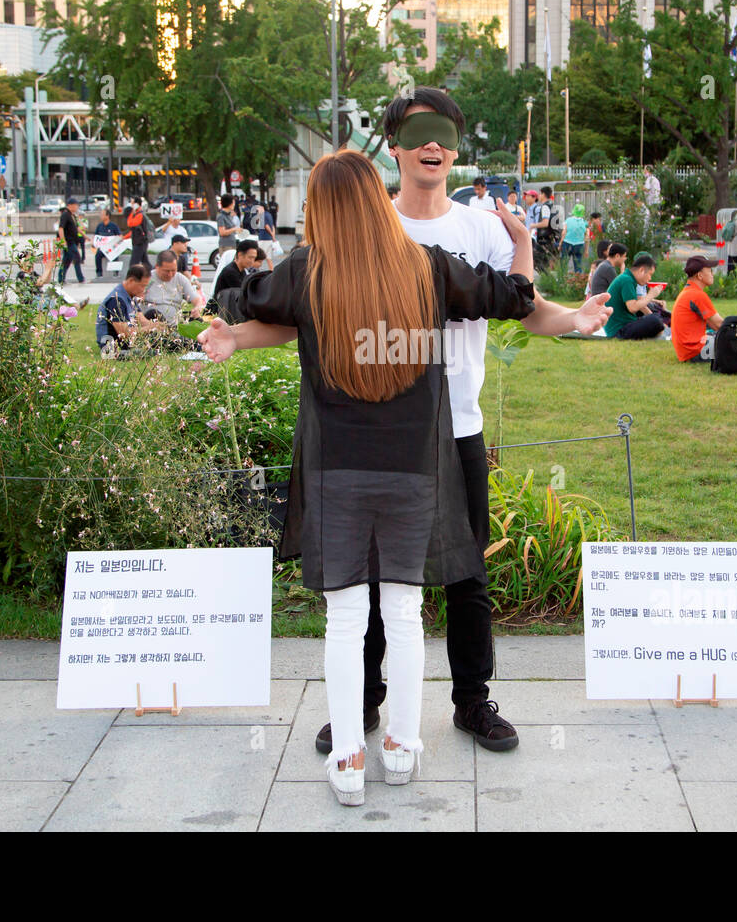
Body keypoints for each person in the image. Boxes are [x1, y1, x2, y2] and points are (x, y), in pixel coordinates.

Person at [212, 87, 610, 757]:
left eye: (446, 133)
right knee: (368, 576)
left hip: (455, 426)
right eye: (419, 133)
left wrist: (572, 319)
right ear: (393, 147)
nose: (433, 144)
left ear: (454, 147)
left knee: (465, 573)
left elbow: (518, 304)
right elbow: (301, 316)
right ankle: (361, 705)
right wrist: (238, 335)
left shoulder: (479, 230)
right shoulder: (365, 226)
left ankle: (471, 701)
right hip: (378, 429)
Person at [198, 149, 541, 806]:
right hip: (415, 468)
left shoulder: (305, 272)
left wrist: (236, 288)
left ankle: (350, 758)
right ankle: (403, 750)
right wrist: (520, 244)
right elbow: (514, 297)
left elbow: (236, 298)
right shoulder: (430, 266)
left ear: (320, 210)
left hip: (337, 472)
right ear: (377, 199)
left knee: (346, 617)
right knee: (406, 611)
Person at [95, 263, 164, 357]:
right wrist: (150, 328)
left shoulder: (130, 295)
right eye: (142, 286)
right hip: (114, 346)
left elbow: (141, 319)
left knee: (154, 314)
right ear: (131, 281)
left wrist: (157, 326)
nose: (143, 290)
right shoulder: (116, 300)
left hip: (128, 339)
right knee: (153, 353)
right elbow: (124, 333)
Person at [672, 255, 724, 363]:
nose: (712, 274)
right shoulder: (697, 295)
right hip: (695, 352)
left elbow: (714, 325)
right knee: (735, 341)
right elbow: (719, 324)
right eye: (710, 271)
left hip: (686, 351)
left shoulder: (688, 291)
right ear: (700, 275)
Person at [604, 252, 668, 340]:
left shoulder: (628, 279)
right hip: (619, 330)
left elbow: (638, 303)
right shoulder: (627, 280)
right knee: (655, 321)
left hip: (623, 324)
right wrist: (651, 295)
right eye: (650, 274)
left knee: (656, 317)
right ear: (641, 270)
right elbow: (632, 307)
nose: (650, 278)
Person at [143, 249, 205, 326]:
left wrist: (197, 308)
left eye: (173, 270)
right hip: (152, 322)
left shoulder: (180, 279)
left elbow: (196, 299)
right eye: (166, 271)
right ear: (157, 267)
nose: (170, 274)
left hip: (174, 324)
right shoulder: (147, 279)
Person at [209, 239, 260, 313]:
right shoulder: (230, 272)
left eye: (254, 258)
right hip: (220, 312)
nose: (252, 261)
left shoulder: (241, 270)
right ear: (239, 255)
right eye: (250, 257)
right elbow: (243, 295)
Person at [57, 199, 86, 284]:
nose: (77, 207)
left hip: (73, 241)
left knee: (66, 261)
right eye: (76, 205)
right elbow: (61, 228)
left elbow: (76, 228)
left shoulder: (72, 215)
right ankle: (80, 278)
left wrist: (85, 236)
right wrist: (63, 241)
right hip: (69, 242)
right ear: (70, 205)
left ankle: (61, 278)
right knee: (76, 258)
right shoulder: (65, 215)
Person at [92, 207, 121, 279]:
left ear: (107, 216)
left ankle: (116, 272)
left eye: (102, 214)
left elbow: (120, 236)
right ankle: (99, 273)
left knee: (115, 255)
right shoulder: (99, 226)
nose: (101, 216)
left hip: (111, 248)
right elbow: (96, 236)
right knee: (98, 255)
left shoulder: (113, 226)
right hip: (102, 248)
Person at [125, 203, 154, 273]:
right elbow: (133, 231)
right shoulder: (137, 216)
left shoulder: (139, 216)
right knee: (145, 262)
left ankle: (131, 277)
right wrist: (124, 237)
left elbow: (130, 223)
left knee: (134, 263)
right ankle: (154, 272)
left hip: (140, 242)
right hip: (139, 242)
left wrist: (131, 214)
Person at [562, 202, 588, 271]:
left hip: (567, 242)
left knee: (563, 263)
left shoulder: (568, 220)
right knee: (578, 263)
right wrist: (586, 250)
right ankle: (578, 279)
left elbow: (563, 233)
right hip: (579, 244)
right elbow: (587, 237)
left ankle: (562, 278)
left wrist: (560, 243)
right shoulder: (584, 223)